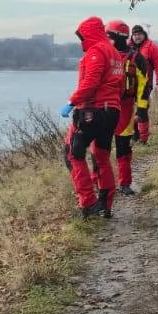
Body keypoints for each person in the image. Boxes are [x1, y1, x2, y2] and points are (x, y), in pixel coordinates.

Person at [61, 16, 124, 218]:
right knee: (101, 156)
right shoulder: (114, 53)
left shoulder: (96, 51)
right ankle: (105, 204)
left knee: (72, 152)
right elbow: (119, 85)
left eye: (81, 37)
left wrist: (72, 102)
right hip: (112, 111)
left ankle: (87, 203)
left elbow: (90, 82)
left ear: (88, 34)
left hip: (93, 111)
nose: (81, 42)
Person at [106, 19, 150, 195]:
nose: (106, 39)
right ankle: (101, 183)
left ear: (117, 36)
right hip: (104, 106)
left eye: (109, 35)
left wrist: (141, 109)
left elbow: (143, 87)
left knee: (123, 147)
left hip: (124, 108)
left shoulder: (137, 58)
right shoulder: (104, 54)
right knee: (100, 149)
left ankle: (124, 182)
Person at [129, 24, 158, 143]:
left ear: (144, 35)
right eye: (134, 35)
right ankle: (135, 134)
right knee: (129, 111)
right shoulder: (127, 47)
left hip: (145, 85)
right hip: (129, 85)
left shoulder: (152, 47)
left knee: (142, 110)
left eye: (139, 34)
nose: (137, 37)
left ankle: (143, 139)